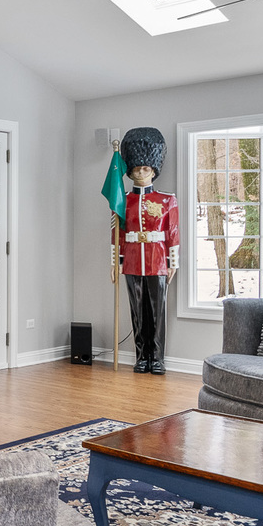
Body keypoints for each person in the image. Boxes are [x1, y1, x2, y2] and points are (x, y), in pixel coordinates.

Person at [119, 127, 179, 374]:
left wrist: (173, 262)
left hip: (157, 259)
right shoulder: (123, 200)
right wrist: (116, 262)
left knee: (157, 312)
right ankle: (141, 356)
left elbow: (173, 232)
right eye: (136, 169)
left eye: (145, 169)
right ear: (130, 172)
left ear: (153, 170)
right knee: (137, 311)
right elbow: (118, 234)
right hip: (132, 260)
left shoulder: (166, 200)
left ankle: (157, 358)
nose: (141, 173)